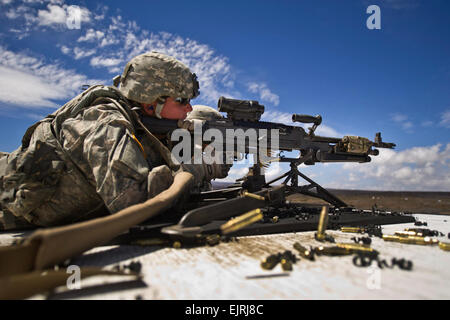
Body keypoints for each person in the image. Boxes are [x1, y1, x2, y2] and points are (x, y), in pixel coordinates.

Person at [0, 52, 230, 231]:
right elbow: (133, 206)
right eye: (181, 100)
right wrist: (200, 166)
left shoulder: (144, 127)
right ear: (151, 101)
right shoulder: (105, 121)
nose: (189, 108)